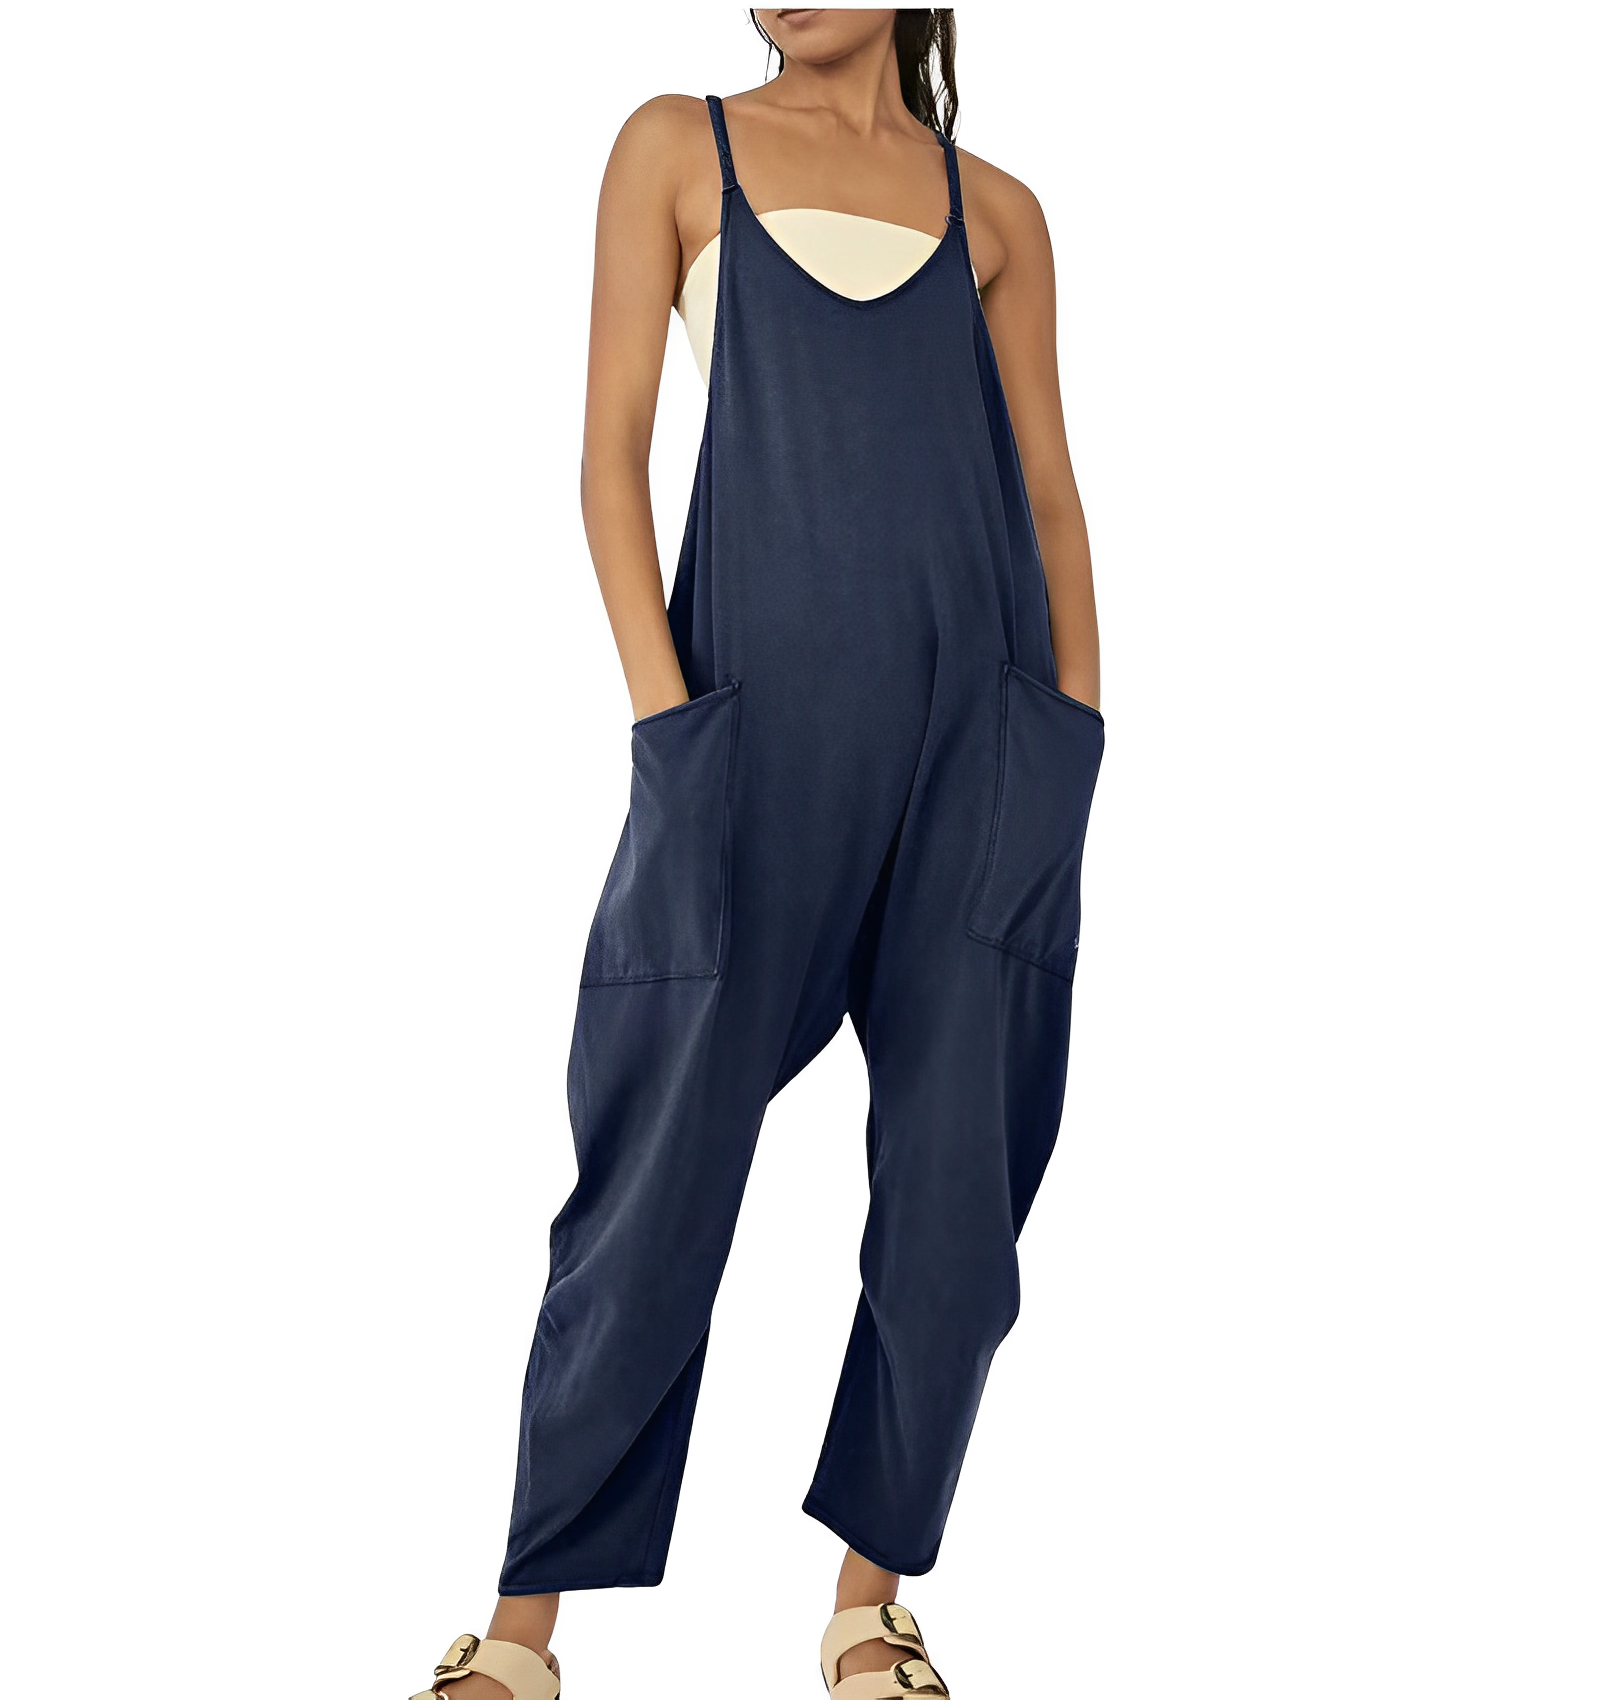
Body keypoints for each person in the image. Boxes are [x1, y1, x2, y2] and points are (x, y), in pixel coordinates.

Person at [412, 11, 1103, 1698]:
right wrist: (671, 721)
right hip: (744, 750)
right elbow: (609, 459)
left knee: (959, 1203)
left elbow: (1047, 489)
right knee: (652, 1169)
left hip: (984, 757)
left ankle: (868, 1608)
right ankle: (523, 1631)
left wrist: (1072, 735)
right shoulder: (678, 146)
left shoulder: (1001, 213)